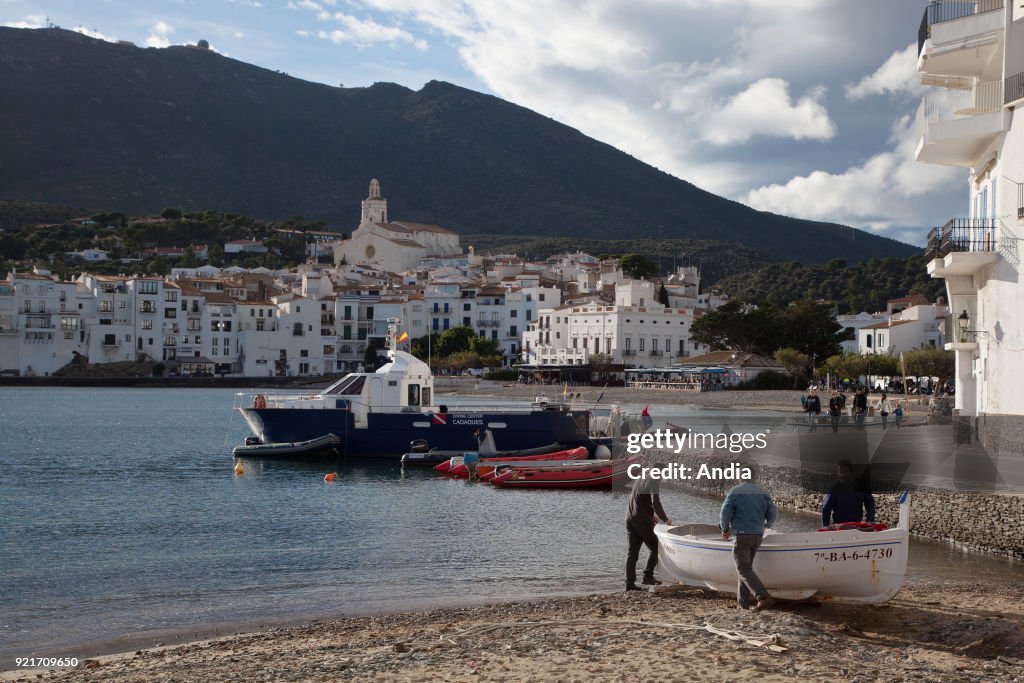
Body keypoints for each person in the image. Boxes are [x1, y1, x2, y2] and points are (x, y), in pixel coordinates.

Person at [720, 469, 778, 611]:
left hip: (742, 535)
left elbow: (724, 512)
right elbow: (773, 513)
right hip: (757, 535)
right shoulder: (763, 493)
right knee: (746, 570)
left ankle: (763, 597)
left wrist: (724, 529)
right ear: (754, 476)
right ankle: (742, 604)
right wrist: (766, 525)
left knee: (743, 568)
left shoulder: (735, 491)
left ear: (741, 476)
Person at [625, 475, 671, 591]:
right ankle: (648, 576)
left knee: (632, 553)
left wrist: (651, 516)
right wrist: (665, 519)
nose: (662, 479)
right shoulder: (654, 481)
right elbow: (656, 502)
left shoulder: (641, 478)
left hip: (630, 518)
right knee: (656, 547)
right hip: (642, 522)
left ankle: (629, 583)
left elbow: (639, 500)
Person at [821, 459, 876, 527]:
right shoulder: (834, 489)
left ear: (851, 472)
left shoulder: (861, 486)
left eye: (845, 472)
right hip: (839, 527)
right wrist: (825, 527)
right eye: (840, 472)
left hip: (856, 526)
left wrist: (870, 521)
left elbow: (870, 504)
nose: (843, 475)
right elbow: (826, 509)